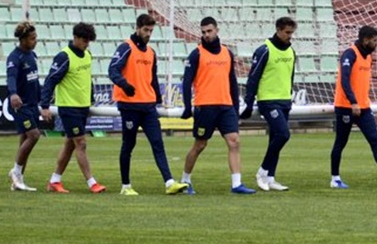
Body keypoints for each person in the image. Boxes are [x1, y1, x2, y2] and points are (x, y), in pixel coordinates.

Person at [109, 14, 189, 196]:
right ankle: (125, 186)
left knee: (157, 143)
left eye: (151, 31)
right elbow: (112, 69)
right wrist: (125, 85)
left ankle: (169, 182)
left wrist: (159, 100)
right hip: (129, 105)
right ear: (137, 28)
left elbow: (152, 78)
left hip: (148, 106)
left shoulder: (151, 52)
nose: (148, 34)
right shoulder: (125, 48)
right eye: (146, 30)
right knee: (128, 145)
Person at [180, 17, 251, 194]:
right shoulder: (196, 54)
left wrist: (235, 107)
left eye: (209, 31)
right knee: (200, 145)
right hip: (205, 106)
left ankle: (237, 184)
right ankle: (185, 180)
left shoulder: (227, 53)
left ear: (217, 30)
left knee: (234, 142)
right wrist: (188, 107)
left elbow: (232, 82)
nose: (206, 35)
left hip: (226, 106)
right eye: (203, 32)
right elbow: (187, 81)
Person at [330, 26, 377, 189]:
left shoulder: (368, 57)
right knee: (341, 142)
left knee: (375, 139)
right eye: (374, 40)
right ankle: (335, 178)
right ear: (365, 39)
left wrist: (361, 102)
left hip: (363, 107)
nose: (376, 43)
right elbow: (344, 80)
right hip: (346, 107)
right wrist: (353, 102)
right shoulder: (350, 54)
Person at [39, 22, 106, 194]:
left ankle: (54, 181)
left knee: (70, 144)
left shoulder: (87, 55)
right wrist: (45, 105)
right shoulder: (64, 56)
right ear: (75, 38)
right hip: (69, 107)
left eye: (89, 41)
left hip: (83, 107)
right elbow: (50, 80)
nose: (87, 44)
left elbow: (87, 78)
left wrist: (90, 97)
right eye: (84, 40)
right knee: (81, 143)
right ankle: (92, 183)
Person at [241, 16, 297, 192]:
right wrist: (249, 103)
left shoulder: (291, 51)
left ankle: (270, 177)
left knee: (275, 138)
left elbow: (290, 76)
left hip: (284, 101)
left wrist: (289, 96)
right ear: (278, 30)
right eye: (287, 33)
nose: (290, 36)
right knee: (283, 134)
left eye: (291, 33)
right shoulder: (264, 50)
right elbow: (253, 77)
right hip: (268, 100)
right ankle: (262, 171)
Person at [6, 21, 41, 192]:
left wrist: (43, 99)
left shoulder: (32, 56)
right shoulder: (15, 57)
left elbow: (34, 81)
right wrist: (13, 93)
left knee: (24, 140)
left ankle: (18, 181)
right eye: (33, 38)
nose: (35, 41)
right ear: (24, 39)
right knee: (34, 135)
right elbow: (11, 77)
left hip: (33, 104)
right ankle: (15, 172)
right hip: (21, 105)